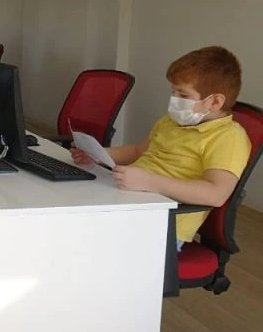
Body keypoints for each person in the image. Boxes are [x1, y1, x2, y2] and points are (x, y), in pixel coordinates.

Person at [71, 46, 251, 250]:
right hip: (129, 205)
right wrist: (98, 154)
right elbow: (137, 151)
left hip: (160, 226)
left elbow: (216, 194)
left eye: (183, 95)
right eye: (173, 92)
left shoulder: (228, 137)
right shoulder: (171, 122)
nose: (174, 100)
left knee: (78, 244)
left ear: (215, 102)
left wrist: (149, 182)